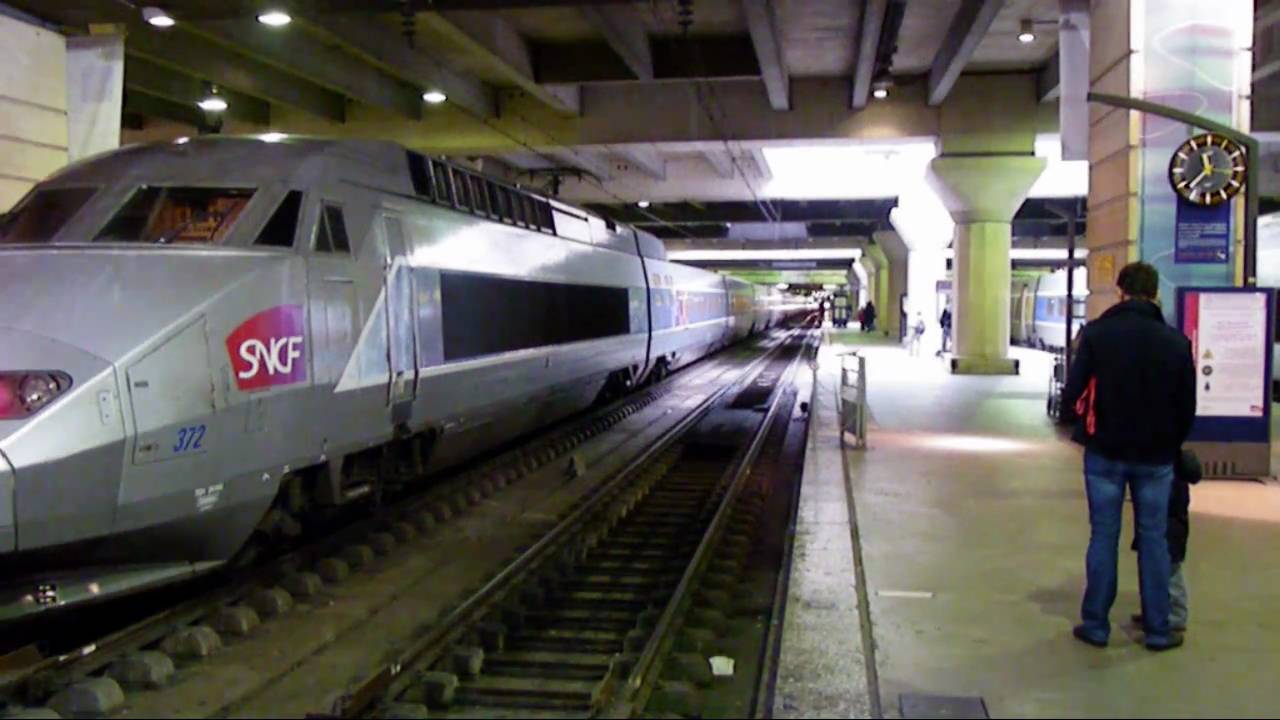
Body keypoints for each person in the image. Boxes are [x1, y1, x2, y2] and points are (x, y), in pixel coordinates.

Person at [1063, 262, 1196, 651]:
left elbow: (1071, 395)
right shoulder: (1175, 343)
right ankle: (1157, 629)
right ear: (1155, 294)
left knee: (1103, 535)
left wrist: (1088, 428)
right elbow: (1187, 407)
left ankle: (1096, 625)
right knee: (1154, 538)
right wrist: (1169, 443)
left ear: (1120, 291)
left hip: (1104, 452)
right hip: (1156, 458)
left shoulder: (1098, 335)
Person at [1131, 448, 1201, 632]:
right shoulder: (1172, 458)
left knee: (1170, 571)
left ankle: (1176, 614)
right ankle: (1156, 610)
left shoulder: (1170, 464)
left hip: (1170, 524)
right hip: (1165, 522)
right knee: (1157, 567)